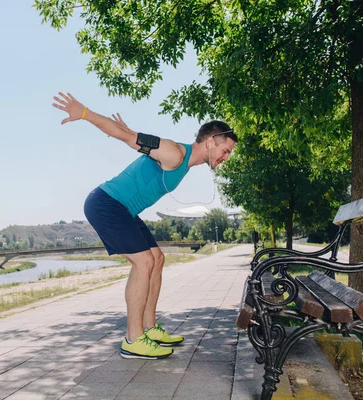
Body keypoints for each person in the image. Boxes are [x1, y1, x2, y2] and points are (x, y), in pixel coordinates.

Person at [52, 92, 237, 360]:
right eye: (225, 151)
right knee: (144, 262)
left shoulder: (182, 160)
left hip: (123, 209)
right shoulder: (175, 153)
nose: (225, 157)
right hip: (107, 203)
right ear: (210, 142)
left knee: (157, 258)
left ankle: (149, 328)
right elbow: (128, 139)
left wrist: (127, 129)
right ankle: (133, 339)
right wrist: (85, 113)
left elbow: (133, 136)